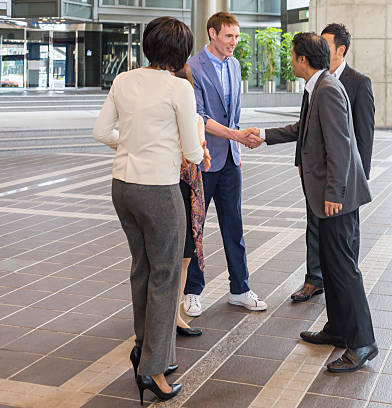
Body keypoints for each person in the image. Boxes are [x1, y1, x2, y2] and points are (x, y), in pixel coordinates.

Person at [247, 33, 377, 372]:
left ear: (304, 59)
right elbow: (305, 128)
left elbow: (341, 147)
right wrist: (264, 136)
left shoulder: (328, 90)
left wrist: (334, 193)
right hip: (327, 197)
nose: (291, 61)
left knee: (345, 270)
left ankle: (363, 342)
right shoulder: (320, 87)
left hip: (338, 200)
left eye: (293, 56)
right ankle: (337, 329)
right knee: (332, 268)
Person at [93, 16, 204, 404]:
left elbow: (102, 132)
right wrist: (183, 150)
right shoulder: (179, 88)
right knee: (166, 276)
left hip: (122, 187)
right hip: (158, 190)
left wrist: (132, 146)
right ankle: (154, 369)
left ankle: (145, 350)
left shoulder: (124, 79)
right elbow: (192, 151)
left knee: (142, 269)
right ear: (181, 52)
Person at [183, 11, 267, 316]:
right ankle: (192, 290)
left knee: (234, 226)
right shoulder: (193, 67)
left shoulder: (234, 65)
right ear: (213, 34)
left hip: (230, 160)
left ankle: (240, 288)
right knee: (195, 228)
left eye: (237, 36)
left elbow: (234, 112)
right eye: (229, 36)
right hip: (204, 160)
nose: (234, 42)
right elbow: (200, 118)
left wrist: (237, 146)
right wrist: (237, 136)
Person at [174, 64, 212, 337]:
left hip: (184, 190)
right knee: (179, 257)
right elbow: (196, 154)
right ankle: (169, 317)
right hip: (179, 189)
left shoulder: (194, 118)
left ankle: (172, 315)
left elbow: (199, 154)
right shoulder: (192, 119)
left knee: (183, 257)